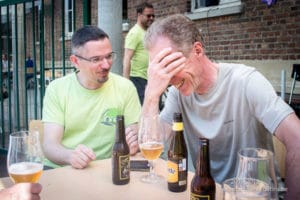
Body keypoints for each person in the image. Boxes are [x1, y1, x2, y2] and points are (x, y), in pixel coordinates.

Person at [142, 14, 300, 199]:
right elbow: (153, 144)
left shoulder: (245, 81)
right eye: (159, 69)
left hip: (251, 196)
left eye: (169, 65)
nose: (166, 79)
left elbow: (297, 139)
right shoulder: (177, 94)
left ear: (198, 50)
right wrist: (151, 95)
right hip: (204, 194)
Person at [42, 25, 141, 169]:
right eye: (96, 59)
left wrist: (133, 143)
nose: (106, 65)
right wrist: (70, 156)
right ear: (75, 61)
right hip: (63, 168)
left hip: (109, 168)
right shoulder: (57, 89)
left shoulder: (125, 87)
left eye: (109, 56)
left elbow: (135, 136)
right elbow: (50, 145)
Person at [123, 2, 155, 104]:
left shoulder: (147, 32)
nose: (151, 18)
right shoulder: (134, 33)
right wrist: (126, 83)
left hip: (148, 78)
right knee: (143, 111)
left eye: (153, 15)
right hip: (138, 79)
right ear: (139, 15)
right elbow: (127, 58)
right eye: (148, 15)